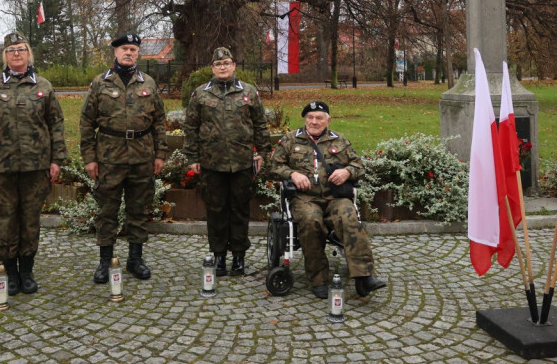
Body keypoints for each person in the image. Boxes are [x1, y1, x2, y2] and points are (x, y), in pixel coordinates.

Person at [0, 31, 66, 296]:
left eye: (21, 49)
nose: (16, 53)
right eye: (11, 49)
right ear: (4, 55)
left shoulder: (43, 86)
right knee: (7, 219)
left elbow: (56, 124)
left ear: (29, 54)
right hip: (1, 167)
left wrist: (57, 159)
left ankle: (27, 270)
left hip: (36, 167)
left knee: (31, 220)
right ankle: (9, 272)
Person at [267, 100, 386, 299]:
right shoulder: (290, 140)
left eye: (319, 118)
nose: (314, 121)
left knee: (349, 216)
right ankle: (318, 279)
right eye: (310, 117)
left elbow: (359, 166)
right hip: (304, 198)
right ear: (305, 119)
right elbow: (275, 166)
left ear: (328, 120)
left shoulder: (339, 140)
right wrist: (292, 174)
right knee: (311, 221)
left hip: (335, 197)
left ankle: (364, 276)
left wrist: (347, 172)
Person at [80, 32, 167, 283]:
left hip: (142, 157)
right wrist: (89, 158)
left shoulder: (148, 83)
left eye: (133, 49)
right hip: (109, 157)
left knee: (138, 209)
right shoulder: (100, 83)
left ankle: (135, 259)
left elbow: (159, 121)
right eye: (124, 49)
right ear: (115, 53)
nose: (129, 53)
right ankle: (104, 261)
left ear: (138, 53)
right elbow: (86, 123)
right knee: (107, 210)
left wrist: (160, 154)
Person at [183, 47, 272, 277]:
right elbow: (191, 127)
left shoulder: (249, 92)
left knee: (240, 210)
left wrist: (262, 152)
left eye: (227, 63)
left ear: (234, 66)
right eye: (218, 64)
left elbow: (260, 124)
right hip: (212, 163)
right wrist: (192, 157)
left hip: (241, 162)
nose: (223, 67)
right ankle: (219, 256)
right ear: (212, 68)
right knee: (216, 211)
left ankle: (239, 257)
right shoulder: (201, 93)